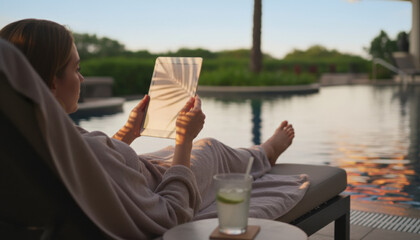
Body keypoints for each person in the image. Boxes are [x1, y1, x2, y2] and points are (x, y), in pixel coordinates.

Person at [0, 19, 307, 239]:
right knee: (209, 148)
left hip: (142, 173)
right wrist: (185, 139)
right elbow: (172, 215)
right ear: (52, 82)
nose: (81, 79)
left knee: (175, 150)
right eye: (76, 69)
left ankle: (252, 152)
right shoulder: (79, 146)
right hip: (155, 185)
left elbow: (92, 167)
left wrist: (128, 133)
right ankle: (266, 153)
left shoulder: (31, 142)